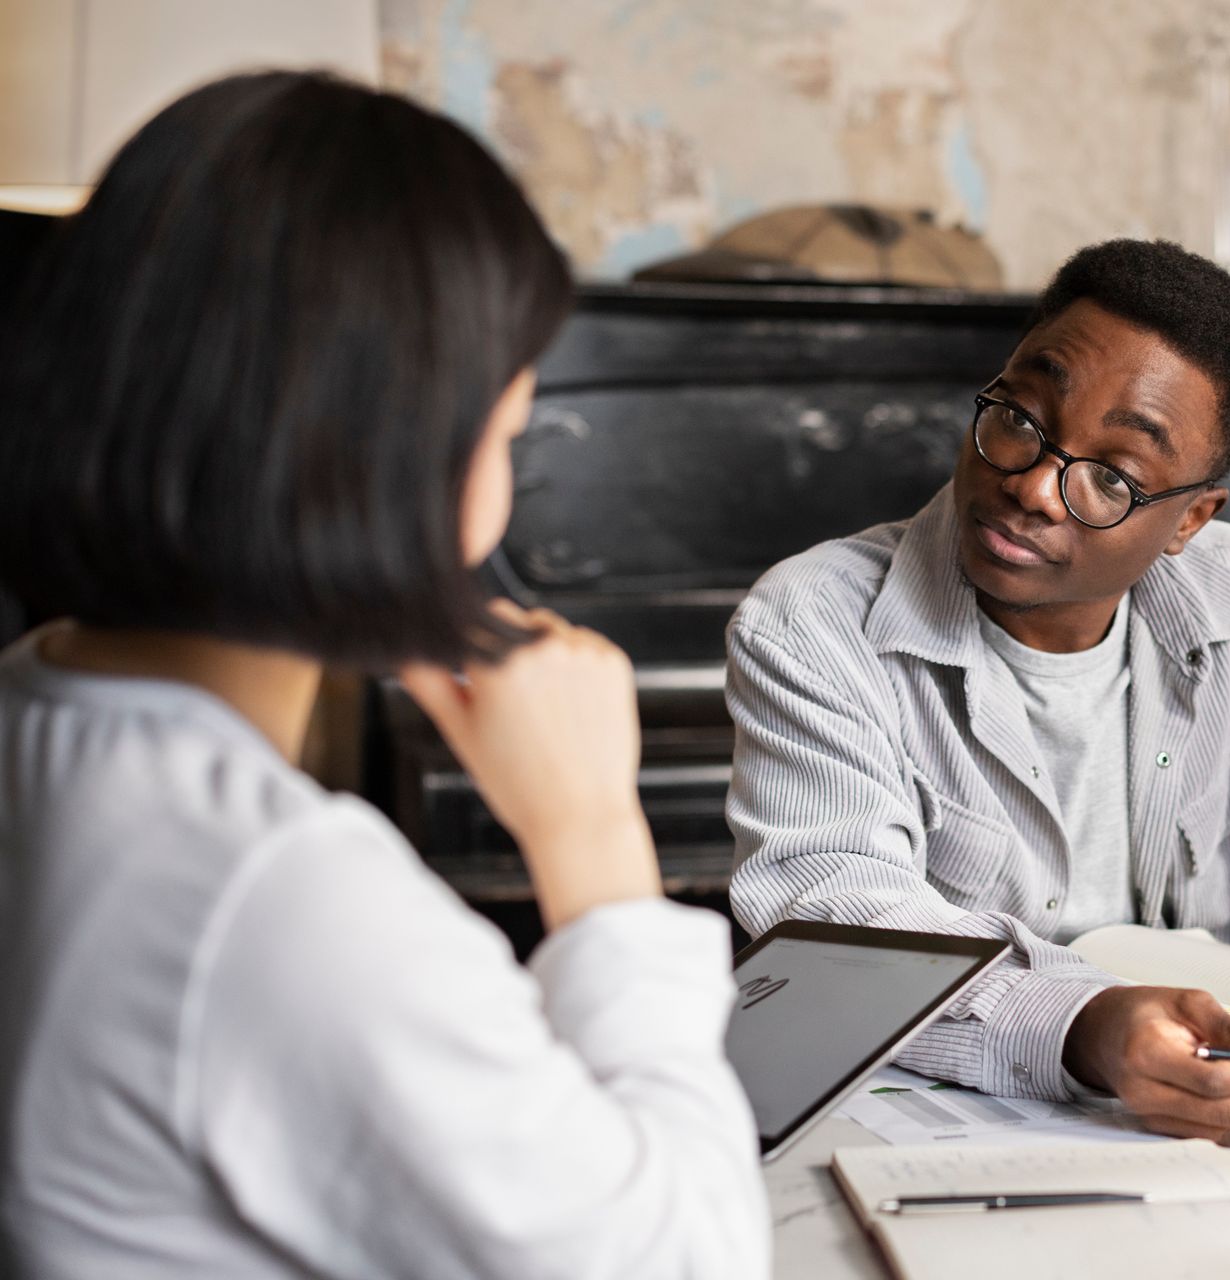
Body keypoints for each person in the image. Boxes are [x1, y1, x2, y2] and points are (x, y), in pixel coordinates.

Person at [0, 72, 766, 1279]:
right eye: (507, 434)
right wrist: (594, 842)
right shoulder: (279, 892)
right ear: (386, 455)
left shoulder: (35, 704)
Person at [726, 238, 1230, 1146]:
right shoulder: (813, 623)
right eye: (1022, 418)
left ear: (1190, 518)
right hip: (938, 1145)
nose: (1030, 487)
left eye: (1112, 477)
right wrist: (1084, 1027)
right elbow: (848, 938)